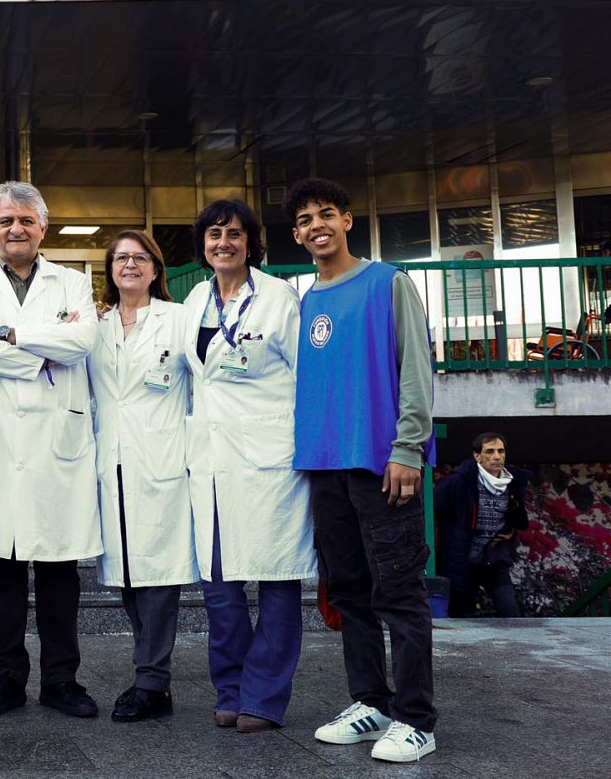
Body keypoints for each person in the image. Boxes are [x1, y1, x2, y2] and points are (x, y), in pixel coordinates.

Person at [286, 177, 438, 764]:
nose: (316, 225)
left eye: (326, 213)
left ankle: (417, 719)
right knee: (349, 592)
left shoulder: (388, 282)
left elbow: (416, 368)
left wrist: (407, 449)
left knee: (398, 591)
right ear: (297, 235)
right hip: (324, 465)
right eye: (304, 220)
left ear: (347, 219)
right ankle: (371, 702)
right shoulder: (308, 300)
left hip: (381, 463)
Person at [0, 181, 101, 719]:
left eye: (27, 221)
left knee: (60, 570)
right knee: (3, 571)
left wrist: (11, 335)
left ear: (43, 228)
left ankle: (63, 680)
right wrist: (40, 353)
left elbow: (83, 342)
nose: (17, 229)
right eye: (7, 221)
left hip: (56, 441)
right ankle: (5, 677)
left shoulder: (72, 282)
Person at [178, 199, 313, 734]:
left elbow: (306, 377)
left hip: (270, 460)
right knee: (219, 584)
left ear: (252, 242)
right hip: (209, 461)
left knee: (277, 579)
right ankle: (229, 688)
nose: (223, 243)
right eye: (214, 234)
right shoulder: (194, 299)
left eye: (234, 233)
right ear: (203, 243)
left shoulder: (279, 298)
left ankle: (263, 697)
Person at [87, 230, 194, 723]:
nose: (129, 265)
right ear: (110, 269)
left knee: (158, 578)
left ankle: (152, 679)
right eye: (120, 258)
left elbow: (205, 385)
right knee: (130, 575)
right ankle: (152, 676)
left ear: (156, 269)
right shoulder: (94, 324)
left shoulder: (179, 319)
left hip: (163, 460)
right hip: (113, 463)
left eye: (140, 258)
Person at [434, 432, 530, 618]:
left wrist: (510, 533)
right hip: (461, 559)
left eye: (501, 451)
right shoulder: (457, 483)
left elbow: (515, 518)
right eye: (490, 451)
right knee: (462, 614)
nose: (497, 456)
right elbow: (431, 513)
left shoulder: (512, 483)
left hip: (492, 558)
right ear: (477, 456)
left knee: (509, 609)